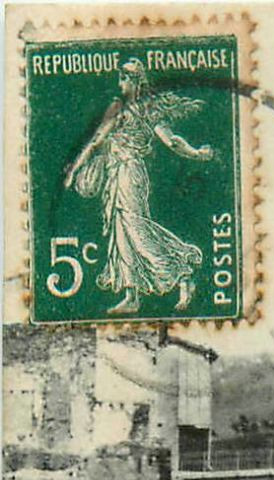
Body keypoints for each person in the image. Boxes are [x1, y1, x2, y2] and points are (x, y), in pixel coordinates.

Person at [62, 59, 214, 315]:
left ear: (134, 81)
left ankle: (182, 272)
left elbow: (171, 141)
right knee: (120, 231)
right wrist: (75, 169)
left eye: (123, 78)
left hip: (129, 173)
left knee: (134, 228)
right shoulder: (127, 108)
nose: (120, 82)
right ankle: (132, 296)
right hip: (116, 173)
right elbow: (99, 139)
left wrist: (196, 154)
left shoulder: (133, 109)